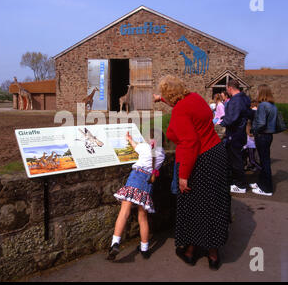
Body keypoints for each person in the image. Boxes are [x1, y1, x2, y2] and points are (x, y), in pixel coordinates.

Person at [153, 75, 231, 270]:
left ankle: (190, 252)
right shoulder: (195, 98)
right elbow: (187, 111)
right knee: (214, 204)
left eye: (164, 95)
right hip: (217, 155)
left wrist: (183, 176)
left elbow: (189, 143)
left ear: (168, 94)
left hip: (200, 161)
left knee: (193, 206)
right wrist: (162, 100)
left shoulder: (180, 110)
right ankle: (213, 255)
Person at [107, 131, 165, 260]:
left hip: (136, 178)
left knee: (124, 212)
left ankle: (115, 243)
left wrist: (129, 138)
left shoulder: (144, 147)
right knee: (143, 216)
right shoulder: (162, 154)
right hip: (149, 182)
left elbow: (135, 145)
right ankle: (144, 249)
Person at [219, 79, 253, 194]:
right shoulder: (245, 98)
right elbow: (245, 114)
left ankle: (241, 185)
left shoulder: (236, 100)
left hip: (235, 134)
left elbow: (232, 118)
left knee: (236, 160)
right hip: (241, 132)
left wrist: (222, 123)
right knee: (237, 158)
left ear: (229, 88)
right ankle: (236, 181)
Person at [250, 85, 278, 196]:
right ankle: (261, 183)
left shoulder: (262, 105)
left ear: (261, 92)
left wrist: (253, 130)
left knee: (265, 162)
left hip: (262, 135)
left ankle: (266, 189)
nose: (256, 93)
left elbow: (261, 123)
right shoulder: (272, 105)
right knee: (264, 160)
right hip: (268, 135)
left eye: (257, 91)